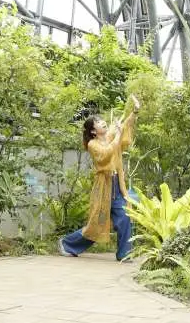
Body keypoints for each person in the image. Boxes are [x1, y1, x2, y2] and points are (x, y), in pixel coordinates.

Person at [58, 95, 140, 262]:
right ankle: (67, 244)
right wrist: (117, 135)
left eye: (102, 120)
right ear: (93, 131)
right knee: (97, 224)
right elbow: (106, 154)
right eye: (98, 122)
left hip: (117, 185)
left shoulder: (109, 136)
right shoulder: (92, 144)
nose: (103, 122)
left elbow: (124, 126)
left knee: (125, 217)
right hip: (103, 186)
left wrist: (135, 111)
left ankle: (124, 254)